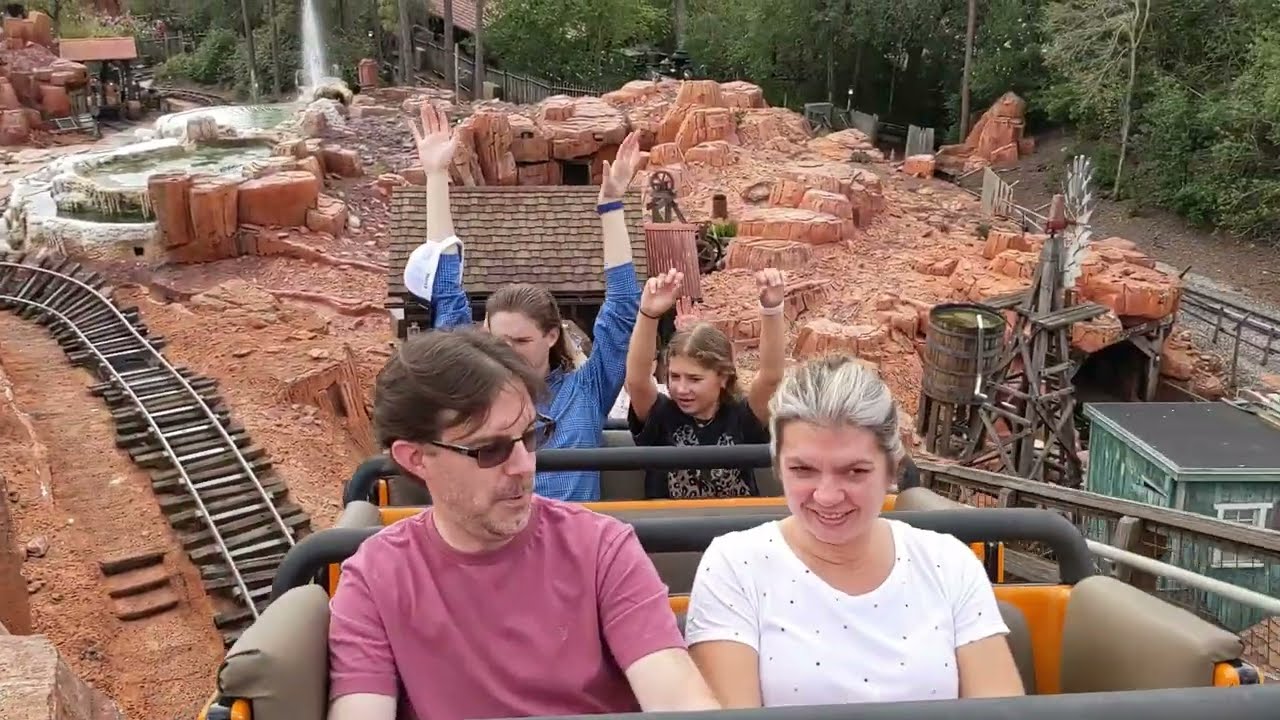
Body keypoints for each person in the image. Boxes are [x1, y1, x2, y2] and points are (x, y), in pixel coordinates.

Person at [328, 329, 722, 720]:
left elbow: (677, 696)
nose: (523, 466)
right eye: (489, 449)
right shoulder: (375, 578)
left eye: (530, 436)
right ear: (415, 458)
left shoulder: (600, 547)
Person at [683, 354, 1025, 707]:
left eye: (855, 472)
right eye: (803, 469)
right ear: (779, 467)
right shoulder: (735, 566)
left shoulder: (949, 563)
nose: (827, 496)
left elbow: (1000, 706)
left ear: (891, 470)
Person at [401, 102, 644, 502]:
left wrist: (612, 205)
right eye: (500, 341)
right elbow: (446, 290)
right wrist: (436, 175)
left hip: (567, 544)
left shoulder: (585, 388)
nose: (507, 352)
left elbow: (621, 309)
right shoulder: (473, 390)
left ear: (552, 336)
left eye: (521, 342)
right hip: (495, 540)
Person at [624, 268, 788, 499]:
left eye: (695, 379)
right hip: (671, 530)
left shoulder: (740, 418)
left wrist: (772, 310)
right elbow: (637, 381)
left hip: (733, 529)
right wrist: (648, 314)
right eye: (674, 376)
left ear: (722, 377)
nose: (681, 389)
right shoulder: (662, 416)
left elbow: (771, 376)